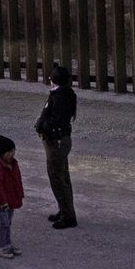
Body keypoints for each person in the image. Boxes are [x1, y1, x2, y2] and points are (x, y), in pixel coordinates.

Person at [35, 64, 78, 228]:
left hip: (56, 142)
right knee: (62, 177)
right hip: (60, 141)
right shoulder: (64, 94)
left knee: (58, 179)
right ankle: (65, 210)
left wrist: (42, 125)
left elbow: (55, 121)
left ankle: (68, 216)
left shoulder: (59, 98)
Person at [0, 135, 24, 258]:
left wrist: (20, 194)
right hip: (2, 202)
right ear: (2, 153)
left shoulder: (13, 164)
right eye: (9, 152)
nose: (12, 154)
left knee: (8, 222)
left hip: (10, 199)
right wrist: (3, 202)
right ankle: (3, 246)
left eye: (13, 151)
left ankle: (7, 243)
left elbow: (18, 180)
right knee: (5, 223)